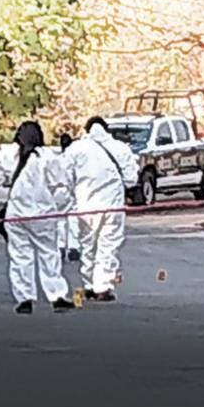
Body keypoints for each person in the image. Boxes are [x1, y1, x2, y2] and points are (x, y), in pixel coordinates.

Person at [0, 121, 75, 314]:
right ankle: (57, 295)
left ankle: (24, 298)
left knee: (20, 256)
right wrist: (57, 207)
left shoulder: (6, 155)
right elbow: (63, 184)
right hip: (43, 215)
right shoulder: (48, 157)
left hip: (16, 215)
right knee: (49, 254)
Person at [63, 116, 139, 302]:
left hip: (85, 205)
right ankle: (103, 286)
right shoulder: (121, 148)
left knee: (88, 244)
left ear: (87, 130)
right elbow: (131, 180)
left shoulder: (76, 149)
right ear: (107, 129)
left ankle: (89, 284)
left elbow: (64, 177)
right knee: (108, 245)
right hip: (112, 206)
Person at [56, 134, 81, 262]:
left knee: (60, 219)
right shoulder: (73, 159)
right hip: (70, 190)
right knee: (73, 218)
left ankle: (60, 246)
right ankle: (73, 247)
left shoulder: (57, 159)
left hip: (57, 190)